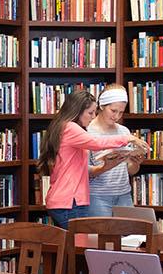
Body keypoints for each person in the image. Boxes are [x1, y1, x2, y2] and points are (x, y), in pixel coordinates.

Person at [39, 90, 149, 227]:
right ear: (77, 111)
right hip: (70, 201)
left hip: (66, 200)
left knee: (77, 245)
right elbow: (96, 143)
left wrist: (106, 166)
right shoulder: (71, 128)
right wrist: (128, 138)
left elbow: (82, 169)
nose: (93, 117)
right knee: (81, 245)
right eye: (90, 113)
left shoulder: (63, 127)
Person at [84, 84, 145, 218]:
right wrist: (105, 166)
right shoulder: (87, 131)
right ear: (101, 106)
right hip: (97, 196)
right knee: (102, 237)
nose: (117, 116)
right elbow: (83, 171)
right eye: (113, 110)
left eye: (121, 112)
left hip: (123, 195)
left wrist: (136, 163)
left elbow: (130, 170)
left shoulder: (124, 131)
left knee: (132, 236)